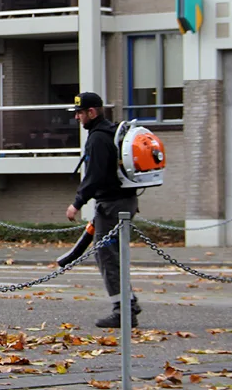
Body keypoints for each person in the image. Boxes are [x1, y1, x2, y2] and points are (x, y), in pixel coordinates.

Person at [65, 91, 142, 328]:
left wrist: (77, 202)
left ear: (92, 112)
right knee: (112, 256)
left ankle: (123, 311)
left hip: (111, 206)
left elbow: (95, 176)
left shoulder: (98, 138)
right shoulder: (111, 132)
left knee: (108, 258)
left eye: (80, 113)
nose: (77, 117)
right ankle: (129, 303)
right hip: (123, 202)